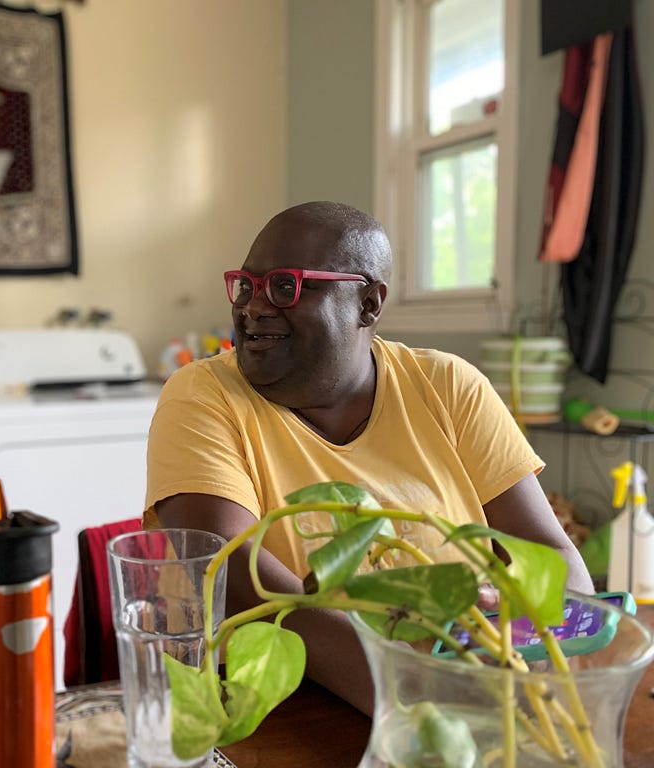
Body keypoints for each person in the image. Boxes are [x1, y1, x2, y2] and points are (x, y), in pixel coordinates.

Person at [144, 200, 593, 715]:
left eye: (287, 286)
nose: (255, 306)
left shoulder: (449, 387)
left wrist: (510, 658)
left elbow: (552, 560)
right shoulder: (203, 395)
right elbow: (234, 576)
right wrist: (427, 694)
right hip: (292, 712)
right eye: (247, 285)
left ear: (368, 304)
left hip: (485, 701)